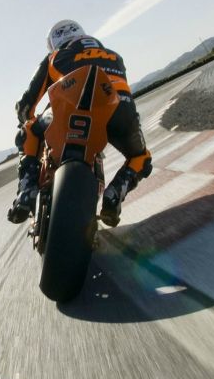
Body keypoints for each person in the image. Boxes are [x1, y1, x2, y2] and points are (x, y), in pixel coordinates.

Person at [8, 20, 152, 227]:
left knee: (29, 130)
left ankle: (27, 189)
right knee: (141, 158)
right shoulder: (114, 56)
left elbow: (25, 105)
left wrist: (26, 119)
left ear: (53, 43)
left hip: (69, 110)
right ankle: (114, 194)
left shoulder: (54, 57)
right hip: (118, 107)